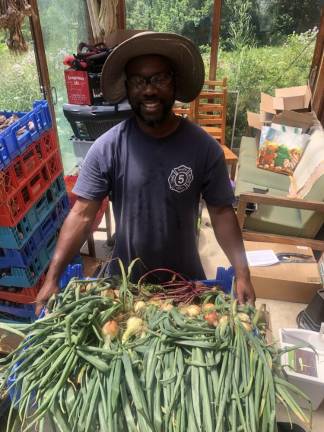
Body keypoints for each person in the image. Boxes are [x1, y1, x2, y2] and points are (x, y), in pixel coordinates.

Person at [36, 31, 255, 314]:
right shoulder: (108, 148)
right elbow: (82, 214)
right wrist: (53, 277)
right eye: (139, 81)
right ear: (127, 88)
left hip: (184, 288)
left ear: (175, 83)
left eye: (159, 78)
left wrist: (243, 272)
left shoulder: (203, 148)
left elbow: (222, 213)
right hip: (125, 288)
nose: (149, 90)